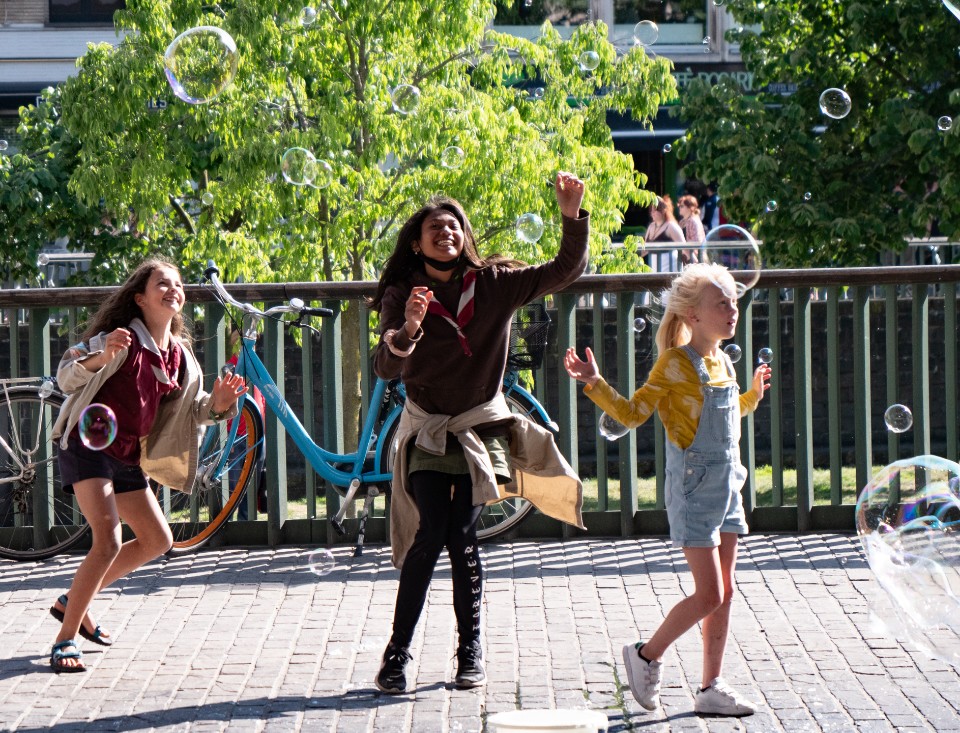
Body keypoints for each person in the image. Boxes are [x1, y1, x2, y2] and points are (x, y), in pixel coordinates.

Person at [368, 171, 589, 694]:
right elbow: (384, 367)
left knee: (461, 534)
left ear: (464, 236)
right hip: (428, 430)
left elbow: (564, 269)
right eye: (434, 228)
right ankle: (397, 654)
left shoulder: (493, 284)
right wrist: (409, 328)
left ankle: (470, 650)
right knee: (430, 534)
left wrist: (572, 216)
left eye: (453, 226)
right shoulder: (403, 293)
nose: (445, 232)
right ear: (417, 243)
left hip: (482, 428)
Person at [563, 263, 771, 717]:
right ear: (693, 315)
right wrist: (594, 382)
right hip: (694, 489)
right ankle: (645, 655)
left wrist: (753, 394)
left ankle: (711, 687)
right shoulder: (675, 362)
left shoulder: (724, 361)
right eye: (722, 303)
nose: (732, 310)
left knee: (726, 591)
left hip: (729, 486)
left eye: (734, 302)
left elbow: (731, 413)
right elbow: (632, 413)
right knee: (710, 594)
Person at [48, 258, 248, 673]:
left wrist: (219, 405)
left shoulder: (180, 357)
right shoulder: (120, 339)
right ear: (140, 298)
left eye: (179, 285)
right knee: (108, 540)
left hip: (124, 455)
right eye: (162, 283)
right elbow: (66, 375)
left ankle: (73, 601)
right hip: (87, 444)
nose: (173, 289)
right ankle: (65, 638)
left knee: (158, 540)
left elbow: (195, 411)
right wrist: (101, 356)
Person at [643, 196, 685, 273]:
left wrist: (695, 264)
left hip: (671, 269)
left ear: (663, 211)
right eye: (651, 210)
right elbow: (645, 249)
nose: (652, 213)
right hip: (655, 269)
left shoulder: (671, 226)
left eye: (655, 210)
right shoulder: (651, 226)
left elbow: (685, 248)